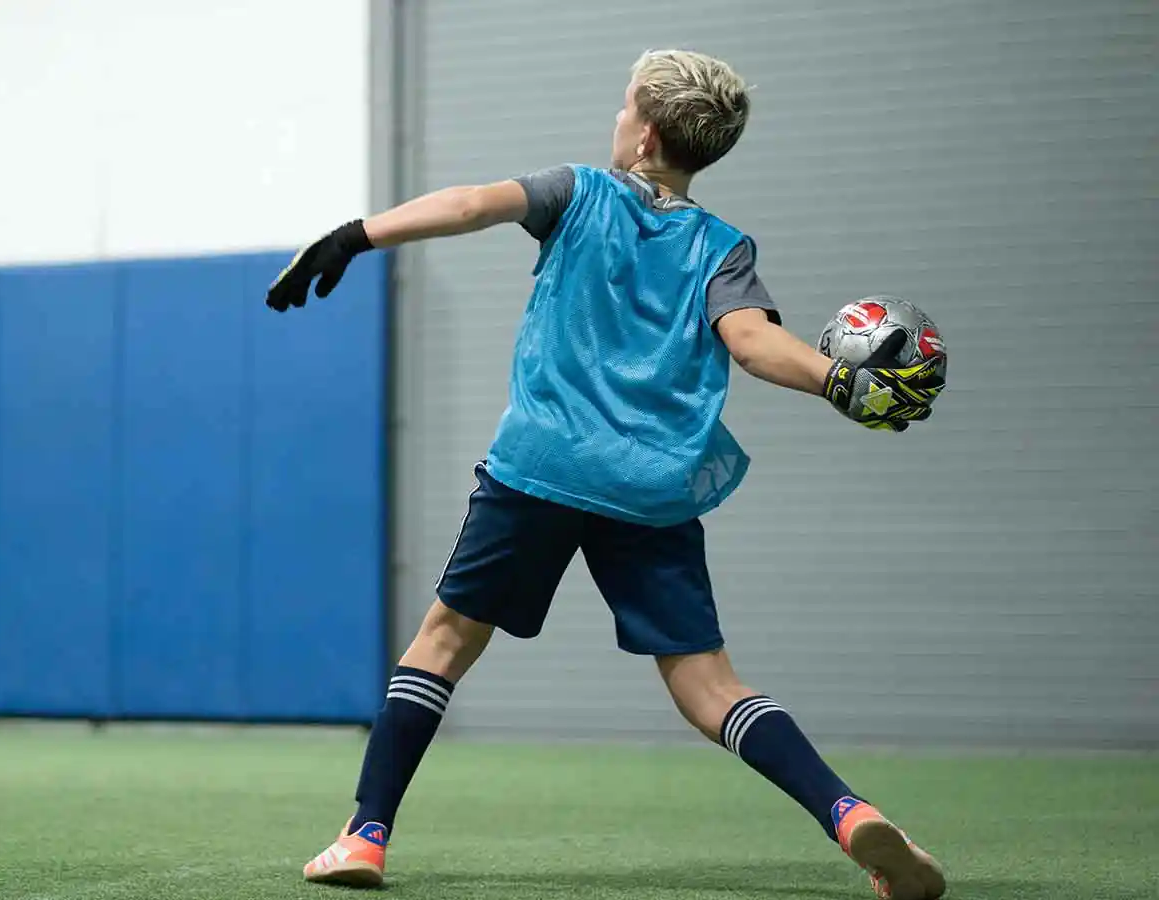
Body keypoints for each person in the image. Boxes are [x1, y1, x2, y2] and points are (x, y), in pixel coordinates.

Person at [264, 48, 948, 900]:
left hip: (542, 468)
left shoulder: (577, 192)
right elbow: (751, 343)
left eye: (626, 105)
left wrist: (354, 235)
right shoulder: (723, 248)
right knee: (708, 685)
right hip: (653, 488)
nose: (617, 117)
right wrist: (838, 379)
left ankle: (364, 837)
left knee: (443, 641)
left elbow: (470, 205)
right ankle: (849, 813)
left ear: (645, 133)